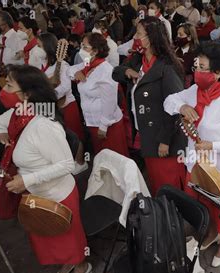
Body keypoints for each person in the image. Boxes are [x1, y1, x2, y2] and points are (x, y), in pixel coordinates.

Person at [0, 65, 91, 273]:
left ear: (27, 94)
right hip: (37, 194)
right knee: (49, 235)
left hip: (57, 194)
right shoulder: (19, 114)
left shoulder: (43, 124)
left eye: (9, 85)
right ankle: (66, 264)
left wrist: (26, 180)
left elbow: (66, 165)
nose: (4, 89)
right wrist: (0, 133)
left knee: (67, 236)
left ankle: (81, 266)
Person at [163, 41, 220, 267]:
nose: (197, 72)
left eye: (202, 67)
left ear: (218, 72)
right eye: (196, 66)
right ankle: (212, 234)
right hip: (197, 164)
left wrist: (214, 145)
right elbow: (169, 101)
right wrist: (182, 108)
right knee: (203, 205)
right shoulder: (196, 91)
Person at [112, 16, 186, 196]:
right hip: (146, 133)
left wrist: (165, 141)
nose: (135, 37)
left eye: (139, 33)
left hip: (163, 137)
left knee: (167, 182)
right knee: (156, 181)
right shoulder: (138, 60)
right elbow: (115, 72)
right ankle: (162, 213)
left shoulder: (167, 67)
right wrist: (127, 71)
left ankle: (174, 217)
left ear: (151, 37)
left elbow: (175, 108)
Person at [67, 33, 129, 157]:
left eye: (85, 47)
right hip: (92, 121)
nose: (81, 50)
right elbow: (69, 69)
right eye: (81, 46)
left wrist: (104, 126)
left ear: (95, 51)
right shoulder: (87, 64)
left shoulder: (105, 70)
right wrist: (75, 73)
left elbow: (110, 102)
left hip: (108, 125)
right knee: (102, 159)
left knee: (114, 160)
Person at [175, 23, 199, 87]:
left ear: (189, 37)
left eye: (181, 35)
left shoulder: (197, 53)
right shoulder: (174, 50)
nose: (178, 37)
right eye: (177, 34)